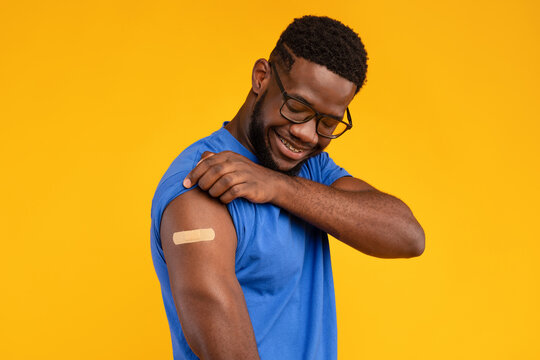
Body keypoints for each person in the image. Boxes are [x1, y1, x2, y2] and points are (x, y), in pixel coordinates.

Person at [150, 15, 425, 360]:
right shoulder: (202, 187)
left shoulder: (309, 169)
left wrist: (278, 187)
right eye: (296, 108)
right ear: (261, 77)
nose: (307, 135)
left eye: (327, 123)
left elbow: (407, 236)